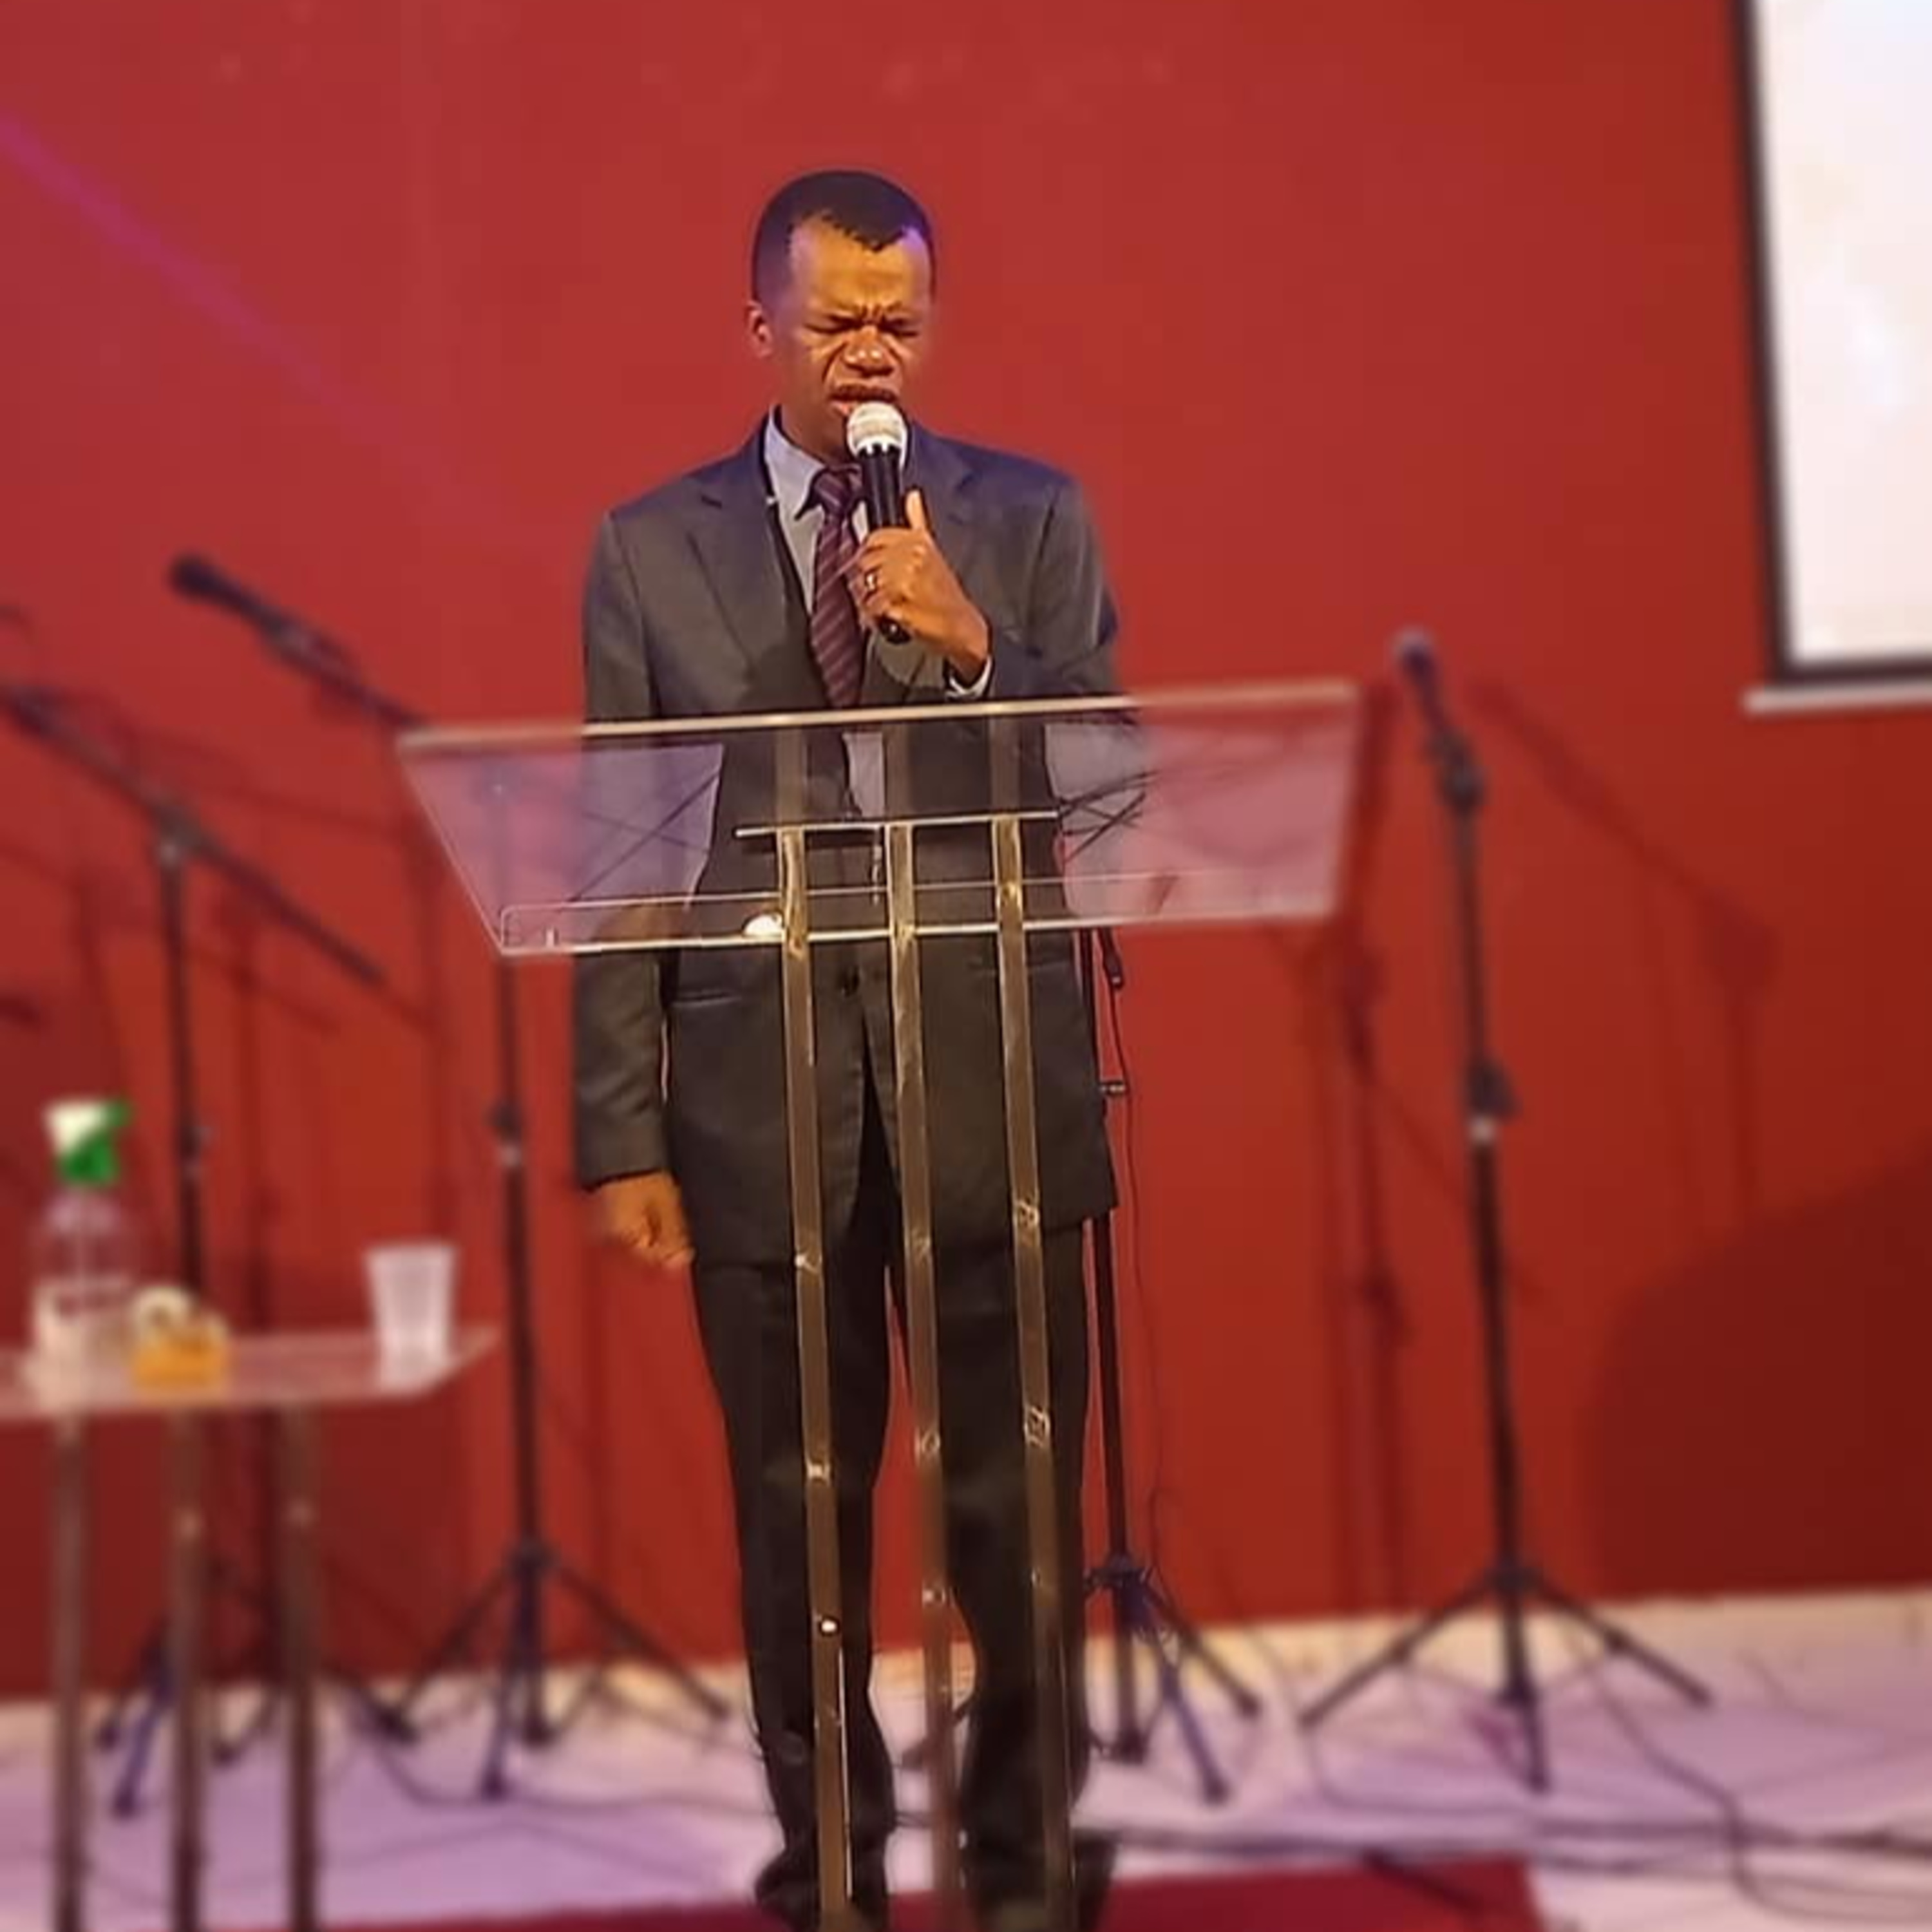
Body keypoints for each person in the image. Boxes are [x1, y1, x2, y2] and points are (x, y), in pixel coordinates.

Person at [573, 169, 1120, 1932]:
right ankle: (831, 1876)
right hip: (765, 1101)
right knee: (794, 1523)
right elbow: (621, 850)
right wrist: (623, 1128)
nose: (872, 348)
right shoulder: (648, 549)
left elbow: (1113, 773)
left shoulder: (1025, 519)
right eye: (837, 321)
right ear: (764, 328)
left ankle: (1025, 1871)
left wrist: (977, 646)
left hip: (995, 1089)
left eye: (900, 319)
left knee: (1017, 1517)